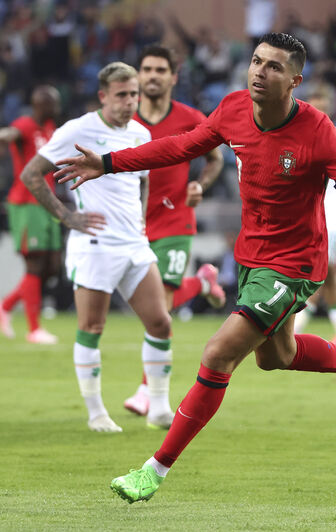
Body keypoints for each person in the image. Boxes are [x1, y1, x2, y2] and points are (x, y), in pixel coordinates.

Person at [54, 33, 336, 503]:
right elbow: (180, 147)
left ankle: (154, 469)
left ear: (295, 80)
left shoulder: (317, 131)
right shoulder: (232, 109)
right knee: (278, 356)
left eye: (273, 66)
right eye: (255, 61)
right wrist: (108, 163)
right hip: (252, 255)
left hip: (295, 265)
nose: (258, 72)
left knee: (217, 355)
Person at [20, 62, 176, 432]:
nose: (130, 101)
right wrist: (67, 216)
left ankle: (158, 407)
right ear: (103, 96)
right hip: (95, 244)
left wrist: (140, 220)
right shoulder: (78, 130)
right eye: (122, 95)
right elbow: (31, 174)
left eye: (134, 94)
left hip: (133, 243)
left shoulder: (140, 134)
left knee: (161, 322)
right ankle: (95, 413)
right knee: (92, 326)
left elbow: (143, 181)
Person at [122, 44, 226, 417]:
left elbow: (215, 156)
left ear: (173, 77)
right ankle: (201, 283)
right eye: (146, 69)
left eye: (160, 70)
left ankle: (146, 389)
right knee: (146, 304)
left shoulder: (189, 117)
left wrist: (202, 184)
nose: (152, 75)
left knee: (160, 307)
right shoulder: (123, 119)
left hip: (175, 220)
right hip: (132, 224)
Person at [0, 85, 63, 344]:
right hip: (27, 202)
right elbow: (12, 132)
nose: (56, 107)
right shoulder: (26, 125)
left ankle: (4, 306)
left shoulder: (51, 127)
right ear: (40, 104)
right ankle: (34, 329)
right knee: (35, 264)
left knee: (52, 267)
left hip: (47, 202)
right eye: (52, 102)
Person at [293, 82, 336, 347]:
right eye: (314, 101)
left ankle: (295, 328)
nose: (318, 106)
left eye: (323, 101)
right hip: (309, 215)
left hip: (334, 217)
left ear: (331, 105)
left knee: (316, 270)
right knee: (328, 272)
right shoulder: (298, 136)